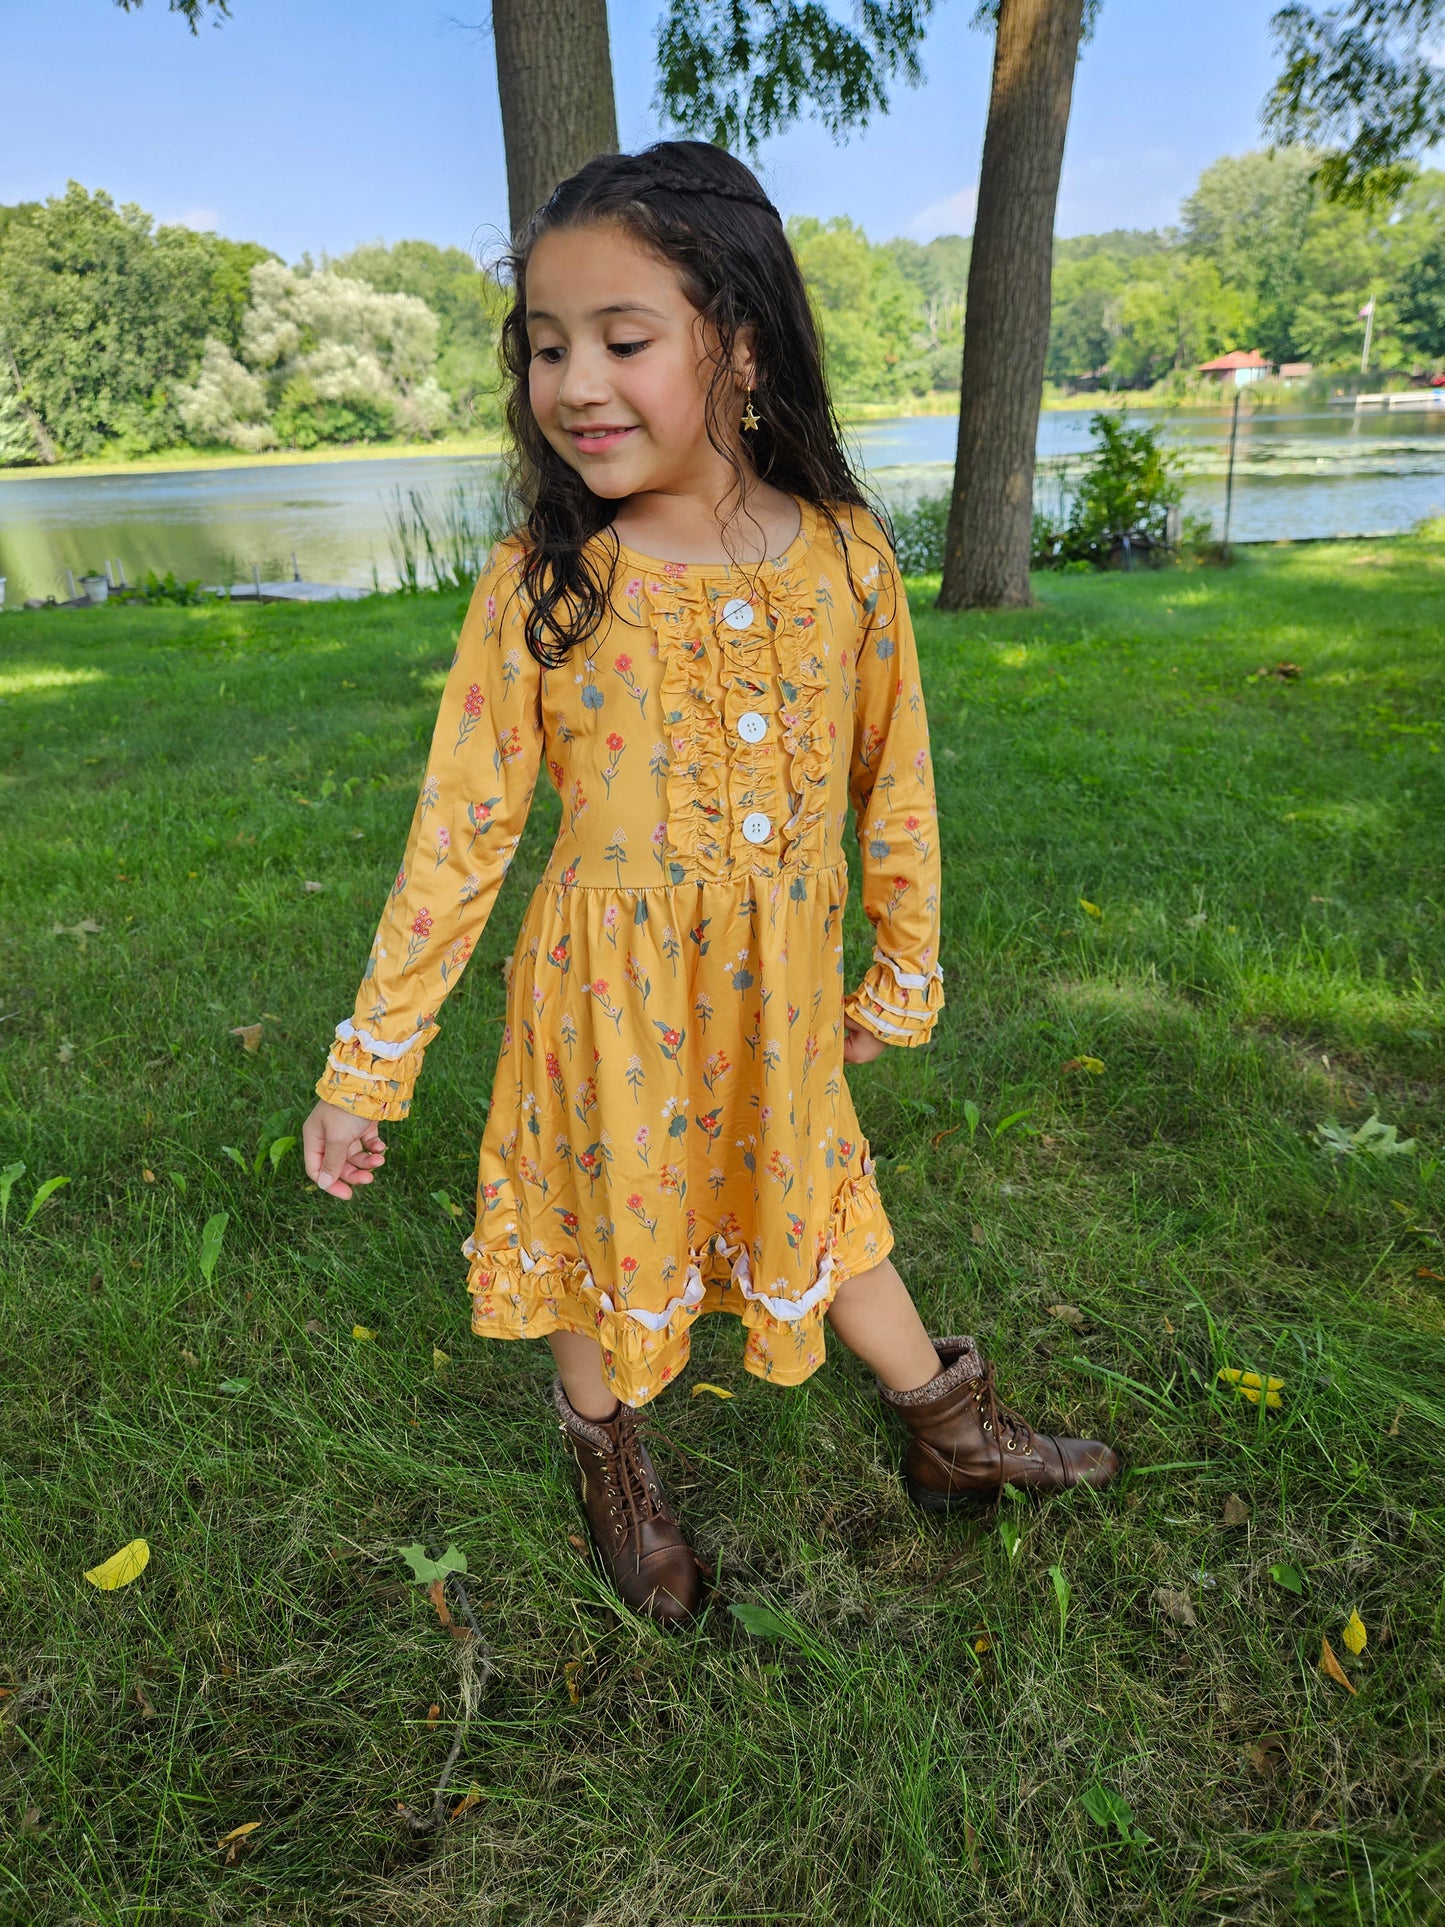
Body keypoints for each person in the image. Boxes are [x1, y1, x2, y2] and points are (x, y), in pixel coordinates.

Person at [302, 141, 1119, 1627]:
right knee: (596, 1225)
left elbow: (896, 780)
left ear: (736, 346)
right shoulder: (544, 585)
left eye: (623, 340)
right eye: (546, 348)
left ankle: (950, 1431)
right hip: (599, 997)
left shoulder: (850, 562)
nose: (575, 384)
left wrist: (903, 968)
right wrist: (371, 1063)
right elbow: (461, 833)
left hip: (780, 988)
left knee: (820, 1196)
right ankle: (611, 1461)